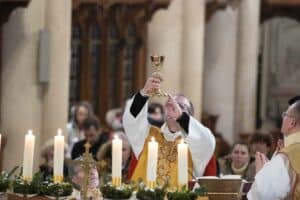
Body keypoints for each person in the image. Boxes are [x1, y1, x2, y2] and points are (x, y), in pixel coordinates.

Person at [123, 76, 216, 188]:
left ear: (190, 115)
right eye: (170, 104)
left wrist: (181, 117)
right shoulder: (148, 136)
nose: (174, 108)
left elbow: (207, 141)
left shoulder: (195, 143)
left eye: (181, 106)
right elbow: (132, 121)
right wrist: (144, 93)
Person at [247, 100, 300, 199]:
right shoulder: (285, 152)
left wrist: (262, 173)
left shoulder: (287, 156)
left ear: (292, 122)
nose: (283, 117)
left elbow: (260, 195)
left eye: (285, 114)